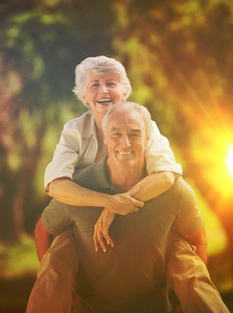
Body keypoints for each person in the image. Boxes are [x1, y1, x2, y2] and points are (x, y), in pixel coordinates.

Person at [28, 102, 229, 313]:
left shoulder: (176, 192)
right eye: (116, 134)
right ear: (105, 139)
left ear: (148, 139)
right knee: (63, 244)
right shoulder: (78, 188)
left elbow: (197, 242)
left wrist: (184, 303)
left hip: (155, 309)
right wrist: (68, 295)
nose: (125, 143)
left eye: (134, 134)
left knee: (182, 250)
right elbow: (44, 232)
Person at [27, 56, 182, 313]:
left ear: (124, 92)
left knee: (180, 246)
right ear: (83, 96)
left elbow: (166, 174)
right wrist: (107, 202)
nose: (103, 91)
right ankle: (67, 295)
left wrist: (115, 207)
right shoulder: (74, 130)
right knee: (48, 235)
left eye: (111, 83)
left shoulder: (146, 124)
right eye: (94, 85)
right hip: (84, 209)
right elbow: (56, 184)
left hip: (140, 204)